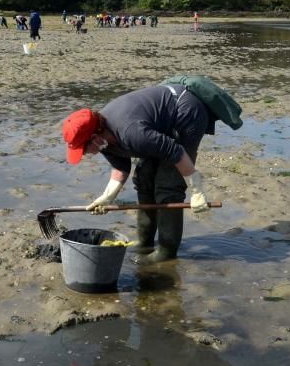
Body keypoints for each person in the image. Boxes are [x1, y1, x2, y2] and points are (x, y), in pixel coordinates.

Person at [62, 84, 215, 264]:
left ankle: (166, 251)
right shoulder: (102, 138)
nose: (85, 155)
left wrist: (197, 189)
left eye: (83, 150)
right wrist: (107, 197)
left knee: (168, 187)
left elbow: (175, 151)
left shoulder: (131, 133)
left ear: (95, 138)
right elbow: (121, 168)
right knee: (144, 179)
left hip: (185, 111)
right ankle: (145, 242)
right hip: (153, 124)